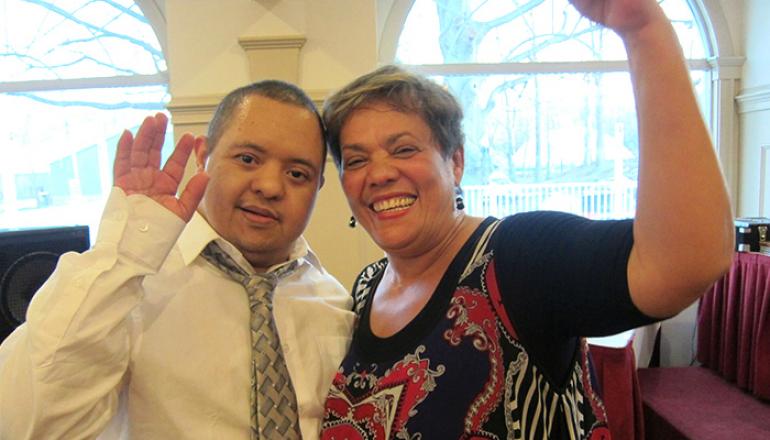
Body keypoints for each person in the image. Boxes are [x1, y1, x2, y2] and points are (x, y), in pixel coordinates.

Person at [318, 0, 734, 438]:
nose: (379, 174)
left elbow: (684, 262)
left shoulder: (516, 258)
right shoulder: (366, 287)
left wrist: (644, 30)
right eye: (356, 159)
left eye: (404, 149)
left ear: (455, 162)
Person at [0, 81, 355, 439]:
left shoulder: (335, 304)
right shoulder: (129, 287)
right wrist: (125, 250)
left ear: (319, 186)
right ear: (204, 155)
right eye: (248, 159)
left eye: (297, 174)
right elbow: (29, 422)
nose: (270, 186)